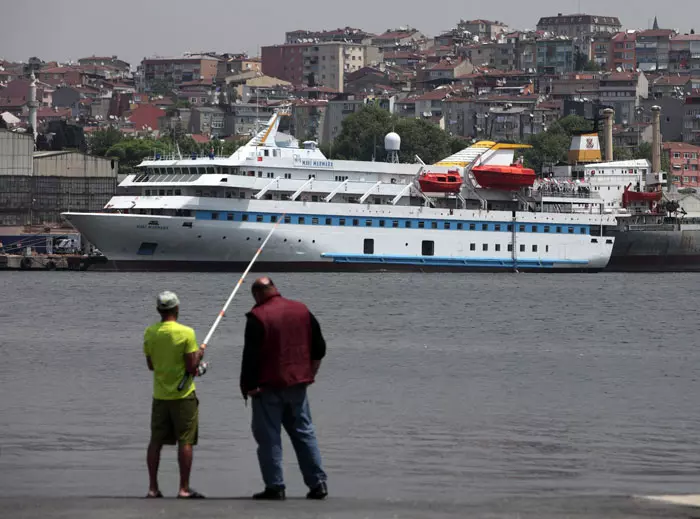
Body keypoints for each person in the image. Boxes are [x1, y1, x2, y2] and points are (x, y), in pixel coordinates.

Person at [240, 277, 328, 501]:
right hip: (298, 385)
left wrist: (248, 387)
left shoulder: (258, 316)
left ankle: (275, 486)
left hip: (267, 387)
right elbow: (320, 347)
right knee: (304, 434)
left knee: (269, 438)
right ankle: (318, 484)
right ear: (275, 289)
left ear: (258, 294)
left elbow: (250, 357)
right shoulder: (302, 310)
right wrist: (310, 373)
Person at [144, 291, 205, 499]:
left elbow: (151, 365)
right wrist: (198, 356)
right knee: (185, 441)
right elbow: (191, 366)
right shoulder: (186, 333)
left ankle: (153, 488)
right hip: (183, 396)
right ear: (177, 309)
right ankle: (183, 488)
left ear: (158, 310)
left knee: (155, 441)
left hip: (160, 396)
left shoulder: (150, 332)